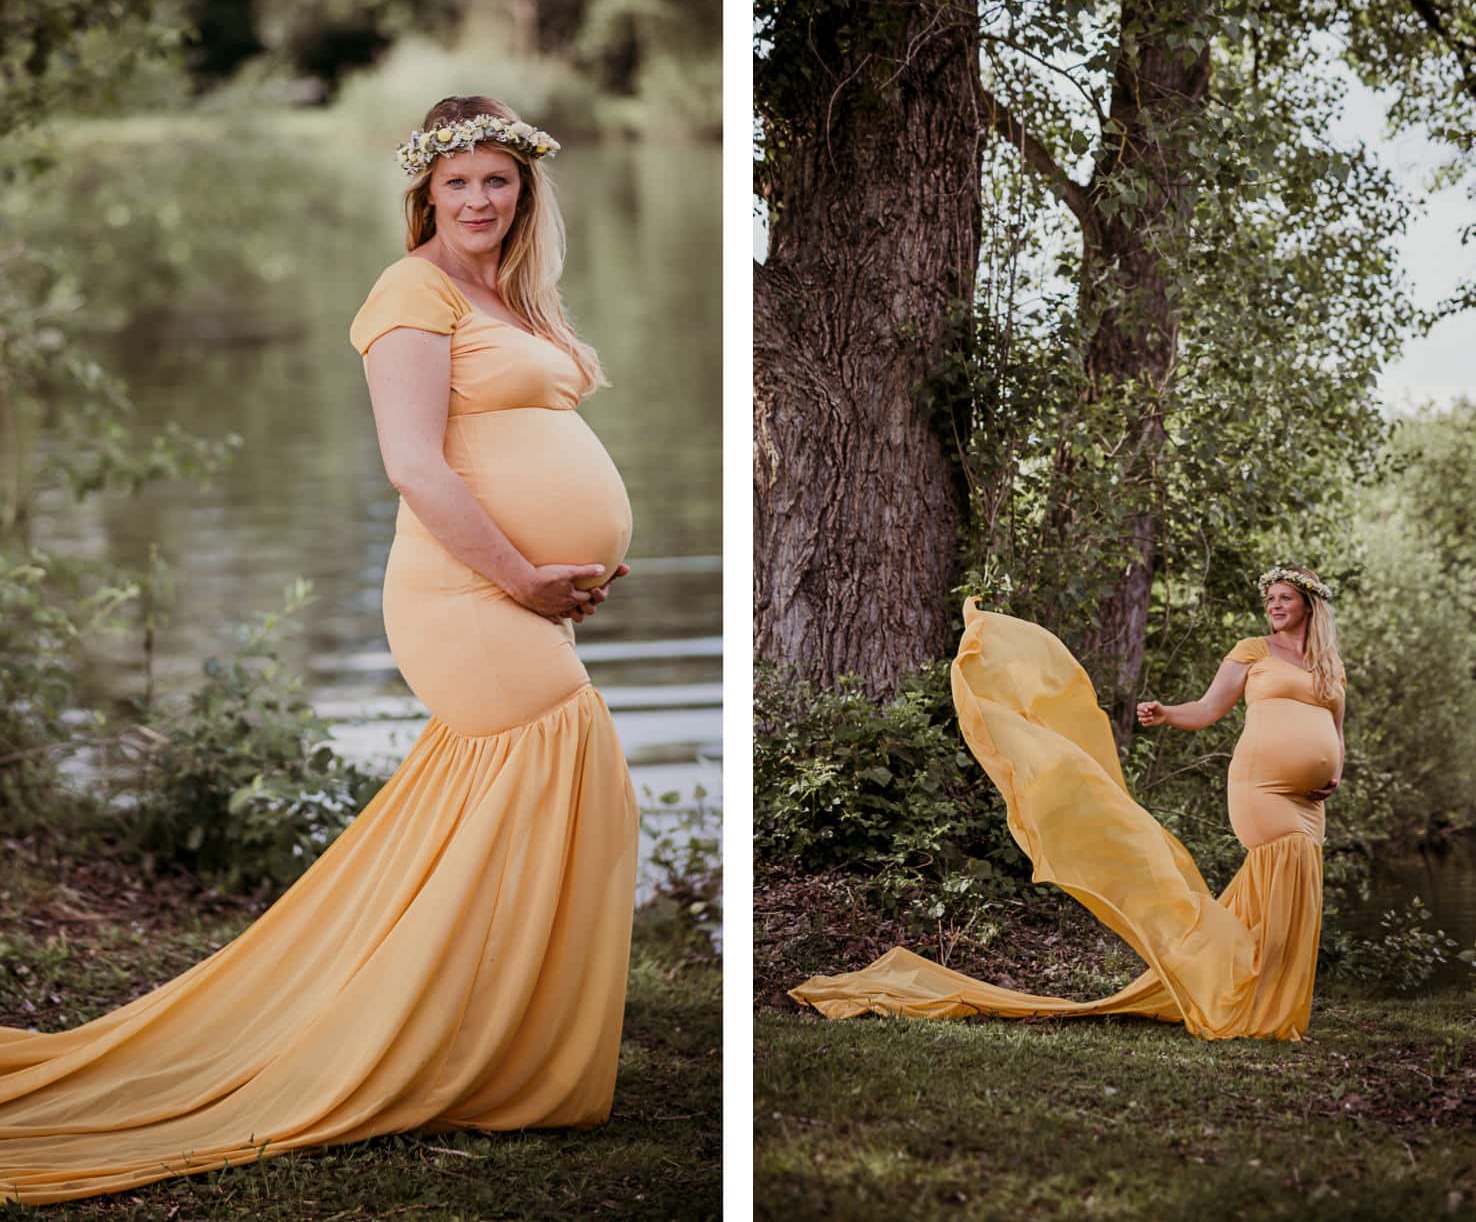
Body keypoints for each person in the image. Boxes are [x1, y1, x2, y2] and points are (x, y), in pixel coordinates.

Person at [0, 95, 639, 1205]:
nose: (481, 200)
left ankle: (477, 1042)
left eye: (499, 179)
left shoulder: (514, 296)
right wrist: (525, 575)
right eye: (460, 183)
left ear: (525, 188)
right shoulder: (412, 292)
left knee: (509, 814)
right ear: (426, 195)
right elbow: (415, 467)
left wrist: (565, 556)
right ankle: (454, 1054)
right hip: (463, 594)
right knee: (566, 770)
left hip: (514, 594)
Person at [789, 565, 1345, 1041]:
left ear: (1308, 607)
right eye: (1270, 599)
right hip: (1261, 789)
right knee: (1283, 871)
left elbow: (1335, 727)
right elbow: (1208, 708)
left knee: (1292, 892)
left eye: (1284, 599)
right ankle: (1251, 1002)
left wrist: (1335, 770)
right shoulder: (1253, 652)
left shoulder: (1328, 667)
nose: (1273, 607)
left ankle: (1262, 999)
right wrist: (1167, 714)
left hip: (1310, 800)